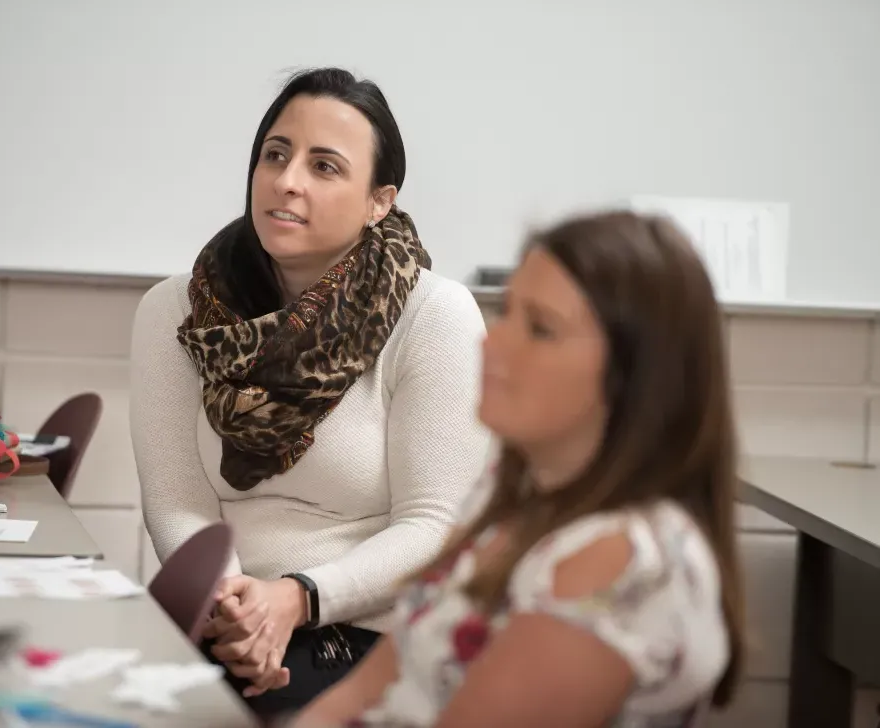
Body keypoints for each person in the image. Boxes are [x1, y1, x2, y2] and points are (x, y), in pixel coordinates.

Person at [129, 67, 491, 717]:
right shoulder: (176, 313)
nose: (287, 180)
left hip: (365, 637)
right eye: (276, 154)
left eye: (325, 167)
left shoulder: (435, 316)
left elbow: (436, 527)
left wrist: (294, 600)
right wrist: (239, 611)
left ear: (379, 201)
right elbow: (176, 503)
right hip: (225, 622)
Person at [292, 210, 746, 727]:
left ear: (635, 375)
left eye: (541, 328)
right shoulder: (512, 492)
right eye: (508, 312)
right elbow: (371, 686)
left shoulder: (624, 560)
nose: (493, 342)